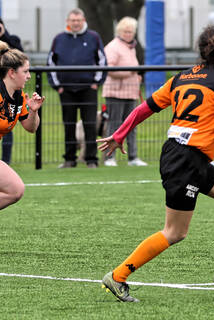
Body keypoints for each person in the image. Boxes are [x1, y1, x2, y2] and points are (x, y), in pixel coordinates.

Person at [97, 25, 214, 302]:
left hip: (185, 156)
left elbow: (142, 109)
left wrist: (119, 135)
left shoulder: (181, 78)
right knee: (175, 232)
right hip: (185, 159)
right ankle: (118, 276)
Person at [47, 8, 107, 169]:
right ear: (68, 22)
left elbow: (102, 61)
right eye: (72, 20)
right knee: (69, 125)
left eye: (78, 20)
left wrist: (96, 82)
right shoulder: (59, 39)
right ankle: (69, 159)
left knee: (90, 124)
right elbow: (51, 63)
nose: (75, 23)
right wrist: (57, 86)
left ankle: (91, 160)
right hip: (66, 90)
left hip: (88, 89)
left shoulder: (93, 37)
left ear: (83, 20)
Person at [0, 41, 44, 210]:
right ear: (11, 72)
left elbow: (30, 128)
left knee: (15, 190)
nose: (29, 76)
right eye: (25, 71)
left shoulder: (18, 96)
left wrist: (33, 111)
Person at [102, 16, 147, 167]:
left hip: (131, 92)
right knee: (114, 125)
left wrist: (136, 76)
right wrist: (130, 73)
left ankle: (133, 157)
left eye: (131, 32)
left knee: (132, 126)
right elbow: (109, 68)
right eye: (126, 31)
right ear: (119, 31)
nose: (129, 34)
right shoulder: (113, 47)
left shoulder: (131, 47)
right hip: (115, 93)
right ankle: (109, 157)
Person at [0, 18, 24, 165]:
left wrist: (4, 35)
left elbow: (19, 58)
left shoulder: (12, 40)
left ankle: (5, 162)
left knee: (7, 127)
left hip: (7, 94)